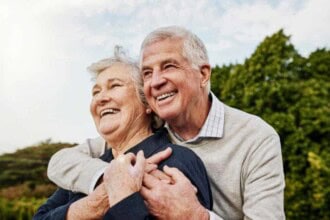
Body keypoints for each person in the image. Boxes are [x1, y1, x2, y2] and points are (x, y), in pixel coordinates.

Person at [47, 26, 285, 219]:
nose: (156, 81)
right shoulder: (142, 137)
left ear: (203, 74)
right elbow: (60, 162)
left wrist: (196, 216)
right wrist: (109, 180)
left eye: (169, 66)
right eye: (148, 73)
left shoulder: (256, 138)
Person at [33, 46, 212, 219]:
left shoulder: (175, 162)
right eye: (96, 92)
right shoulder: (90, 170)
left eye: (115, 86)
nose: (101, 99)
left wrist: (123, 198)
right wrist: (95, 202)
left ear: (147, 103)